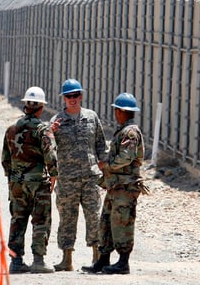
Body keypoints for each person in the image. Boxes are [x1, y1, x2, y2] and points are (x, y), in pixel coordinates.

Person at [82, 92, 148, 274]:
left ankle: (123, 263)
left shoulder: (131, 132)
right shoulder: (125, 130)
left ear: (120, 111)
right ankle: (103, 260)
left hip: (125, 187)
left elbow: (126, 157)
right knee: (106, 223)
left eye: (116, 110)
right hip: (115, 186)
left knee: (122, 223)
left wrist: (106, 165)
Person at [50, 79, 108, 271]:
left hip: (90, 177)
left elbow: (100, 144)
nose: (72, 99)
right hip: (67, 179)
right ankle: (67, 259)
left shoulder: (91, 117)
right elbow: (48, 148)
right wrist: (50, 134)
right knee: (67, 218)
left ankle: (96, 257)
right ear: (64, 98)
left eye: (75, 95)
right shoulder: (56, 121)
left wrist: (105, 171)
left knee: (94, 217)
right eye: (69, 96)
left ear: (81, 96)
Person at [1, 86, 58, 274]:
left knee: (18, 220)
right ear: (41, 108)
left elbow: (5, 159)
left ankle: (15, 262)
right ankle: (38, 260)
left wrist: (13, 178)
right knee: (40, 220)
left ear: (25, 105)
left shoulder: (11, 129)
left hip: (17, 183)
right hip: (38, 183)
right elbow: (51, 155)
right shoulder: (43, 130)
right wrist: (54, 175)